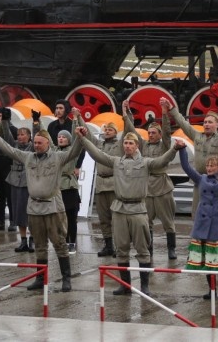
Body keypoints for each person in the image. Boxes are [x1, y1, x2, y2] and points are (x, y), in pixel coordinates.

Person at [76, 128, 181, 296]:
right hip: (120, 209)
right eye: (125, 143)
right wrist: (83, 139)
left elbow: (161, 161)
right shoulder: (117, 161)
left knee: (142, 249)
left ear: (137, 145)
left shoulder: (146, 162)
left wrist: (174, 149)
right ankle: (125, 285)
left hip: (138, 209)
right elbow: (97, 154)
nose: (127, 146)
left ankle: (145, 286)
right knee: (121, 249)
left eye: (131, 143)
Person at [0, 125, 82, 292]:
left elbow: (74, 152)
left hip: (53, 207)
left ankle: (66, 278)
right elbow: (9, 149)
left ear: (47, 143)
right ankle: (40, 278)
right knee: (39, 244)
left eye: (40, 143)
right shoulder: (28, 157)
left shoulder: (57, 157)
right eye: (35, 142)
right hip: (34, 208)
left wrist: (80, 137)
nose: (36, 145)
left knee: (60, 243)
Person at [179, 141, 218, 300]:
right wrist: (182, 149)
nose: (209, 168)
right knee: (207, 259)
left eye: (212, 165)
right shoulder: (201, 179)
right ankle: (211, 289)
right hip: (202, 221)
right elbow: (186, 167)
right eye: (208, 165)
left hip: (217, 221)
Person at [123, 99, 176, 259]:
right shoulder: (143, 145)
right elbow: (132, 130)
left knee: (168, 222)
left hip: (162, 187)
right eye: (149, 133)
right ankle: (149, 248)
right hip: (147, 188)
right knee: (147, 222)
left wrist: (164, 112)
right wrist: (126, 113)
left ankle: (171, 249)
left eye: (154, 133)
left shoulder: (164, 146)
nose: (150, 135)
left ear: (159, 135)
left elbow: (167, 131)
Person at [91, 119, 122, 258]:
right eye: (106, 129)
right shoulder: (99, 144)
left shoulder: (120, 144)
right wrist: (78, 119)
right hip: (100, 183)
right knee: (103, 218)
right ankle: (108, 245)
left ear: (116, 132)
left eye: (110, 129)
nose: (107, 131)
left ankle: (118, 246)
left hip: (113, 183)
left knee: (116, 218)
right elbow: (88, 137)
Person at [4, 124, 34, 253]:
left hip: (29, 181)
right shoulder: (14, 145)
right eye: (18, 135)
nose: (20, 137)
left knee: (30, 212)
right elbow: (6, 137)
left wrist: (36, 123)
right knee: (18, 211)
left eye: (23, 134)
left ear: (29, 136)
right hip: (15, 180)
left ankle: (32, 240)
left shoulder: (33, 146)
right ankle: (23, 241)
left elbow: (39, 134)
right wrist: (5, 122)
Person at [54, 130, 83, 255]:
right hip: (57, 189)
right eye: (59, 137)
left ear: (68, 140)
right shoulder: (54, 152)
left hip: (70, 189)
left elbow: (79, 144)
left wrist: (75, 122)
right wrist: (37, 122)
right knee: (60, 219)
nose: (61, 139)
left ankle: (72, 243)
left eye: (64, 137)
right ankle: (63, 242)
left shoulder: (71, 152)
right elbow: (46, 139)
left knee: (71, 218)